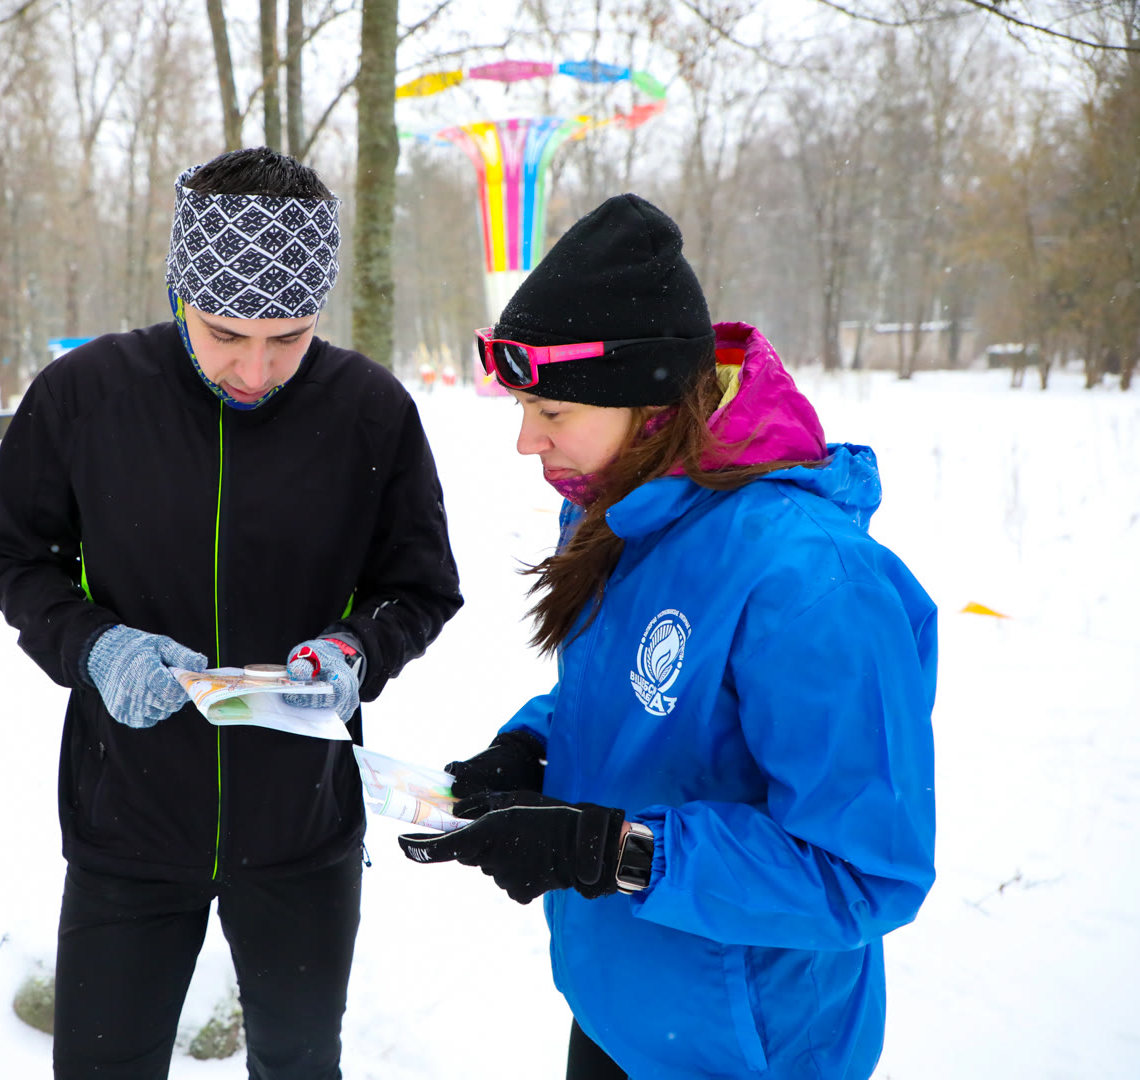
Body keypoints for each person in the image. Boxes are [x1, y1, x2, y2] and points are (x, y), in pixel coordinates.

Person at [399, 194, 936, 1080]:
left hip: (743, 1047)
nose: (525, 440)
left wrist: (610, 850)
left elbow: (862, 872)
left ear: (650, 406)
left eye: (554, 412)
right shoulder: (617, 511)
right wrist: (531, 746)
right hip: (621, 1009)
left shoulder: (811, 582)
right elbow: (650, 695)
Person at [0, 147, 463, 1080]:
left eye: (289, 336)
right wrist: (96, 647)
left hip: (304, 828)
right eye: (226, 333)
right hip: (128, 821)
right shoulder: (87, 396)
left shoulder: (370, 410)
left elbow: (422, 584)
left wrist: (359, 648)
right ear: (178, 295)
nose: (257, 366)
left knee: (299, 1065)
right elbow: (16, 559)